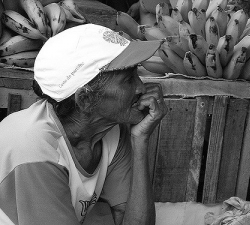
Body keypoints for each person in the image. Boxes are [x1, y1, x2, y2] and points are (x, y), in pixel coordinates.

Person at [0, 23, 168, 224]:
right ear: (85, 100)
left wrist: (140, 140)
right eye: (128, 79)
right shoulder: (34, 147)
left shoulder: (110, 130)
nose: (142, 87)